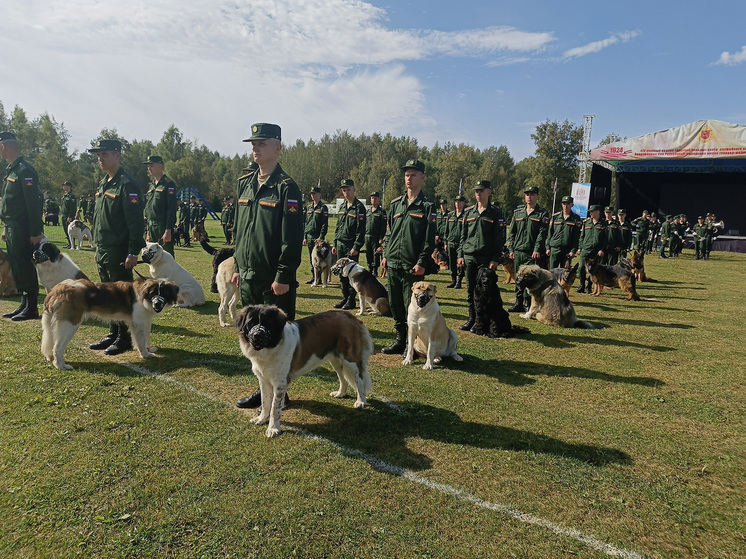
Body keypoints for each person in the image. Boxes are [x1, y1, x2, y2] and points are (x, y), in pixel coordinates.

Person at [231, 123, 304, 409]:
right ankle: (264, 391)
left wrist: (284, 274)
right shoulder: (245, 183)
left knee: (277, 339)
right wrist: (237, 264)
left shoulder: (287, 187)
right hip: (248, 273)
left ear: (278, 148)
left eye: (262, 143)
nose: (255, 148)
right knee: (253, 337)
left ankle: (279, 395)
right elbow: (240, 229)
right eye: (253, 143)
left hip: (273, 276)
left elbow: (292, 236)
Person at [88, 139, 146, 353]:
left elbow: (135, 222)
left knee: (121, 295)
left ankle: (124, 338)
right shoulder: (105, 183)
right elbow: (100, 218)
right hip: (104, 250)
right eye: (98, 154)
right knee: (106, 293)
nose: (100, 158)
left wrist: (133, 251)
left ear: (117, 155)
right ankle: (113, 333)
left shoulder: (126, 184)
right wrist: (97, 248)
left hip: (119, 251)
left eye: (105, 154)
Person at [380, 159, 436, 354]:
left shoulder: (427, 206)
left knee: (411, 306)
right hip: (394, 262)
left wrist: (422, 262)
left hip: (412, 265)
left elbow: (429, 240)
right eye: (406, 174)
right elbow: (390, 232)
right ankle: (400, 339)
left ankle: (411, 345)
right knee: (395, 303)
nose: (408, 178)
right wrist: (386, 255)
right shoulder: (396, 204)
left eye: (413, 174)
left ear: (422, 177)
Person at [0, 131, 43, 321]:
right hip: (11, 226)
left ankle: (32, 307)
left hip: (22, 228)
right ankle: (24, 304)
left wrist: (35, 232)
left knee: (24, 265)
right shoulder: (12, 169)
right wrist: (5, 227)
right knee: (17, 264)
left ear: (3, 147)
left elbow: (33, 204)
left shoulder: (25, 170)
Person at [457, 180, 506, 331]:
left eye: (482, 190)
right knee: (471, 289)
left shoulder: (496, 213)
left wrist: (495, 258)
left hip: (486, 258)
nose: (478, 193)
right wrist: (460, 254)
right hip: (470, 256)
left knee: (487, 292)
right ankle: (472, 319)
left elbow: (500, 238)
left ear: (489, 192)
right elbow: (463, 236)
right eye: (476, 191)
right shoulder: (469, 212)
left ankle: (484, 321)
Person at [506, 186, 549, 312]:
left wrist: (537, 249)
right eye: (527, 194)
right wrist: (511, 249)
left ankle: (528, 303)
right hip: (518, 251)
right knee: (518, 277)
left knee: (529, 279)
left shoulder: (542, 213)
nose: (529, 197)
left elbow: (542, 234)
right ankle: (518, 302)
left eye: (532, 194)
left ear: (537, 197)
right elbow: (512, 232)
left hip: (532, 252)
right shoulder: (518, 213)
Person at [332, 179, 366, 309]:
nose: (346, 193)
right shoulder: (342, 206)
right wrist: (335, 243)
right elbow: (338, 227)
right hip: (340, 244)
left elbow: (361, 229)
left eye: (348, 190)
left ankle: (351, 300)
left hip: (350, 246)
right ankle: (345, 297)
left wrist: (356, 246)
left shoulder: (359, 208)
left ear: (354, 190)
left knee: (351, 273)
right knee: (341, 272)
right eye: (344, 190)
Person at [143, 155, 178, 258]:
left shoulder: (168, 184)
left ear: (160, 166)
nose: (149, 168)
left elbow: (171, 208)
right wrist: (148, 231)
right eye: (148, 166)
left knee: (166, 256)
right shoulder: (152, 185)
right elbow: (149, 210)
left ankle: (169, 275)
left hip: (162, 226)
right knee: (153, 257)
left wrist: (168, 230)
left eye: (152, 165)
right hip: (152, 226)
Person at [577, 205, 607, 293]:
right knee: (581, 267)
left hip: (596, 250)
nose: (590, 213)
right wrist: (580, 247)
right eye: (590, 211)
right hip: (585, 249)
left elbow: (605, 240)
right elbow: (582, 237)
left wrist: (602, 249)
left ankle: (589, 286)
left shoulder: (603, 224)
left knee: (593, 269)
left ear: (598, 212)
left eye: (592, 211)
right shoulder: (586, 223)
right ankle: (582, 285)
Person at [546, 195, 581, 269]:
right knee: (552, 273)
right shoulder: (555, 217)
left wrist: (573, 251)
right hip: (554, 249)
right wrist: (548, 247)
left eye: (568, 204)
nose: (565, 206)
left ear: (572, 205)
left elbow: (576, 237)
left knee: (565, 273)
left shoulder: (576, 219)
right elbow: (549, 234)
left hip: (567, 251)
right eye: (564, 204)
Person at [303, 185, 328, 283]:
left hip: (318, 237)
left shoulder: (323, 208)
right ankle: (314, 277)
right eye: (312, 194)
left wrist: (321, 237)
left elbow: (324, 224)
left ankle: (319, 278)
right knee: (311, 258)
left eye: (315, 194)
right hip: (309, 236)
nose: (313, 196)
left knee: (320, 258)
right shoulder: (309, 207)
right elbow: (306, 223)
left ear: (319, 195)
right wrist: (305, 237)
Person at [445, 194, 466, 289]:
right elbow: (446, 231)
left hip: (460, 244)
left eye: (460, 202)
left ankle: (459, 281)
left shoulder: (466, 215)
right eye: (456, 202)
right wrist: (446, 242)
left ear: (464, 203)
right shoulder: (450, 216)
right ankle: (453, 280)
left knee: (460, 263)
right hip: (450, 242)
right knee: (452, 262)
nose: (457, 203)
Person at [364, 190, 386, 276]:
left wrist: (381, 237)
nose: (374, 200)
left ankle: (375, 269)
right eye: (372, 198)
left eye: (375, 198)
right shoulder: (368, 211)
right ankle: (369, 267)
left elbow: (383, 226)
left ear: (378, 199)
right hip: (367, 236)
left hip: (376, 236)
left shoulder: (381, 212)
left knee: (376, 254)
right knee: (368, 253)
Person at [60, 181, 77, 248]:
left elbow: (73, 207)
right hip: (63, 215)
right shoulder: (64, 196)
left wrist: (70, 216)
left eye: (65, 185)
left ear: (69, 187)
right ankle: (69, 243)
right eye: (64, 185)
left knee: (70, 230)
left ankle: (72, 244)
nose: (64, 187)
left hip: (68, 216)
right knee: (66, 230)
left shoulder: (71, 196)